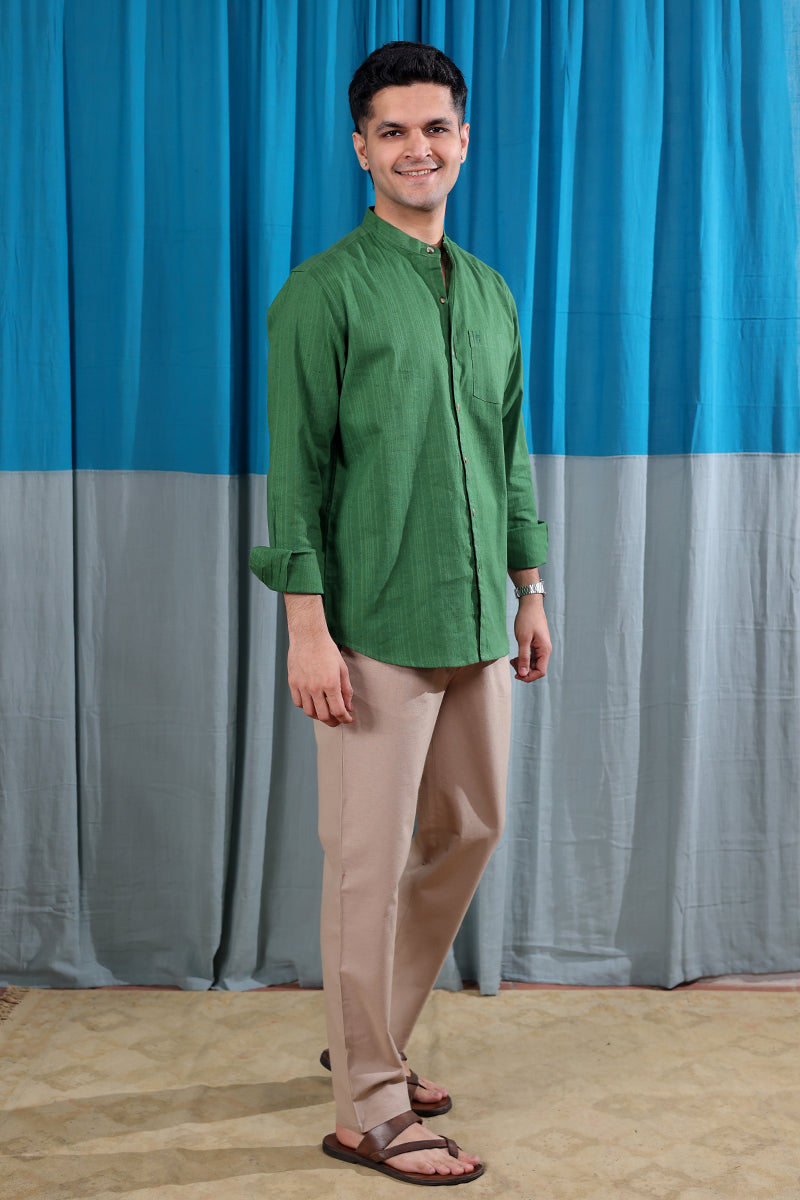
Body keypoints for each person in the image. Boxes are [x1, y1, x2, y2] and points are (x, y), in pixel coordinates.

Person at [250, 41, 550, 1186]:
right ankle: (367, 1108)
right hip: (369, 622)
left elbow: (507, 452)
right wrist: (306, 629)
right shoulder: (320, 292)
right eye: (392, 131)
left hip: (475, 616)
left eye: (434, 128)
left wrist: (528, 587)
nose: (415, 148)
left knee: (468, 831)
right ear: (360, 149)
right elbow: (296, 473)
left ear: (462, 141)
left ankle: (369, 1035)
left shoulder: (490, 292)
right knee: (364, 866)